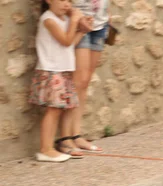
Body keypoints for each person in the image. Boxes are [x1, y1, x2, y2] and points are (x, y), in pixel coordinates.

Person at [29, 0, 86, 162]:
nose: (66, 4)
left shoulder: (65, 21)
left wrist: (81, 31)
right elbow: (66, 41)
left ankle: (49, 148)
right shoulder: (48, 20)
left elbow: (69, 45)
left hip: (62, 71)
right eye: (61, 0)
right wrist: (75, 20)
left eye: (69, 1)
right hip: (51, 71)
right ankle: (45, 149)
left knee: (58, 109)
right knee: (53, 110)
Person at [54, 0, 108, 154]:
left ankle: (76, 135)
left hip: (100, 24)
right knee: (77, 82)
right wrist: (75, 15)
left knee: (84, 82)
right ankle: (65, 138)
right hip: (79, 23)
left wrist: (107, 14)